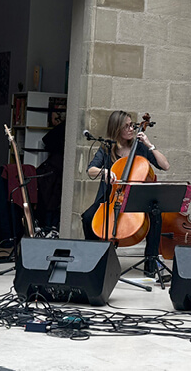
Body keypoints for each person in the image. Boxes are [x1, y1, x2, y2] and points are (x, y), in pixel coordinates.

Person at [81, 110, 170, 276]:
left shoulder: (141, 148)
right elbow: (91, 170)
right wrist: (104, 172)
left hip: (136, 199)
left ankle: (151, 264)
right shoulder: (107, 149)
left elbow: (165, 165)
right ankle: (95, 260)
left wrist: (150, 145)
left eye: (132, 125)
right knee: (87, 218)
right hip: (110, 198)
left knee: (155, 215)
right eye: (127, 126)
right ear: (116, 129)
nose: (132, 129)